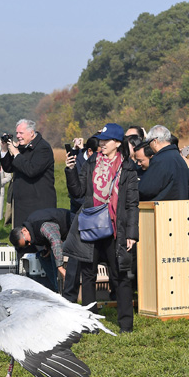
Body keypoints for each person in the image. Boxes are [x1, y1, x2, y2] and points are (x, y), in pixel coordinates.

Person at [63, 123, 139, 332]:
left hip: (116, 228)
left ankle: (126, 325)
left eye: (106, 141)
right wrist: (70, 170)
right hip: (91, 225)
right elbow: (77, 192)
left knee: (120, 276)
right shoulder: (91, 162)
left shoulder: (128, 168)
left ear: (117, 143)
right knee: (88, 276)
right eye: (101, 140)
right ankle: (91, 323)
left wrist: (132, 234)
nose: (102, 144)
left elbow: (132, 204)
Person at [0, 118, 56, 227]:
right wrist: (4, 149)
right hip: (21, 204)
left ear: (31, 133)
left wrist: (16, 153)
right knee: (21, 238)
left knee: (37, 237)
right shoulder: (22, 147)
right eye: (16, 133)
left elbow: (32, 170)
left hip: (38, 204)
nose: (18, 136)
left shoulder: (43, 148)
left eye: (21, 133)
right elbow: (9, 168)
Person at [10, 207, 77, 294]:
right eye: (26, 245)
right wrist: (47, 247)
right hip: (63, 237)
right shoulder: (30, 227)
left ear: (24, 230)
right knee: (41, 255)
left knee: (55, 253)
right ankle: (56, 288)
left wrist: (60, 267)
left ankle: (60, 290)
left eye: (26, 242)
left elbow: (56, 241)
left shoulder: (43, 226)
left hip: (75, 230)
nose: (29, 244)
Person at [137, 125, 189, 201]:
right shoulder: (178, 158)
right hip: (179, 207)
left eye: (148, 143)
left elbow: (146, 189)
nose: (149, 146)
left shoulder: (160, 160)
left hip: (162, 208)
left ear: (155, 141)